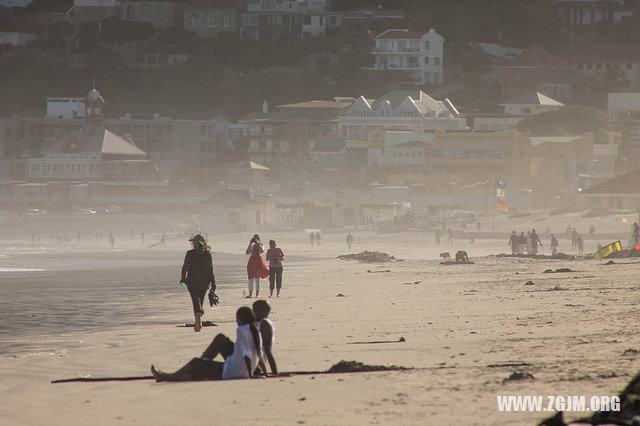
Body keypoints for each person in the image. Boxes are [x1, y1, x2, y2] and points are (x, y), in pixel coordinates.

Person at [150, 307, 266, 382]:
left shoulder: (241, 330)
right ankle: (171, 376)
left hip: (232, 372)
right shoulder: (255, 331)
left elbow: (246, 354)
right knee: (202, 365)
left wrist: (250, 375)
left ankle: (167, 377)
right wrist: (264, 373)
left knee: (195, 362)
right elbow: (259, 355)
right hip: (240, 370)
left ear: (240, 319)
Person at [181, 234, 216, 332]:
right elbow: (210, 270)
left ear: (197, 243)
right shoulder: (207, 254)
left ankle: (198, 323)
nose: (193, 244)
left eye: (194, 242)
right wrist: (213, 284)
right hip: (204, 282)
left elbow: (185, 267)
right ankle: (198, 322)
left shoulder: (190, 254)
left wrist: (183, 278)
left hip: (192, 282)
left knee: (196, 301)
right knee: (199, 300)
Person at [253, 300, 277, 375]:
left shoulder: (264, 323)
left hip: (254, 366)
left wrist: (274, 371)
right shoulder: (257, 323)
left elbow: (267, 349)